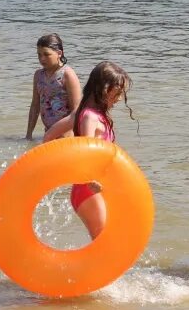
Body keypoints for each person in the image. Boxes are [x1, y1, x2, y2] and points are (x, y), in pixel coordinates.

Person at [45, 61, 133, 240]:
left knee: (106, 240)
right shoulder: (89, 117)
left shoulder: (82, 113)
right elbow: (87, 153)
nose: (119, 97)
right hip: (89, 189)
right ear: (104, 88)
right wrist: (88, 177)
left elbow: (48, 137)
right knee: (103, 241)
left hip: (88, 188)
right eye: (117, 91)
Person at [25, 33, 81, 140]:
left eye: (46, 54)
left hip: (67, 136)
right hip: (48, 134)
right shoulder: (38, 75)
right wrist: (28, 135)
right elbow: (35, 106)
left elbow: (76, 111)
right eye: (39, 55)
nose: (42, 59)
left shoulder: (67, 75)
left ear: (59, 53)